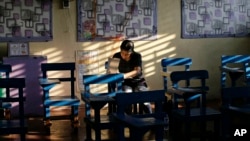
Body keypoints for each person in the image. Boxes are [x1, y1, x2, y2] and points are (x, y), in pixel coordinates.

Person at [112, 39, 152, 113]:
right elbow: (111, 71)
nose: (124, 56)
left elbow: (137, 71)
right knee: (127, 97)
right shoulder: (116, 56)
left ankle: (151, 117)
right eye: (123, 53)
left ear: (131, 52)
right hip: (125, 82)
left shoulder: (137, 56)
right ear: (120, 50)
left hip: (138, 81)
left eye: (127, 54)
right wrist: (117, 77)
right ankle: (128, 118)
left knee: (144, 98)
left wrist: (122, 76)